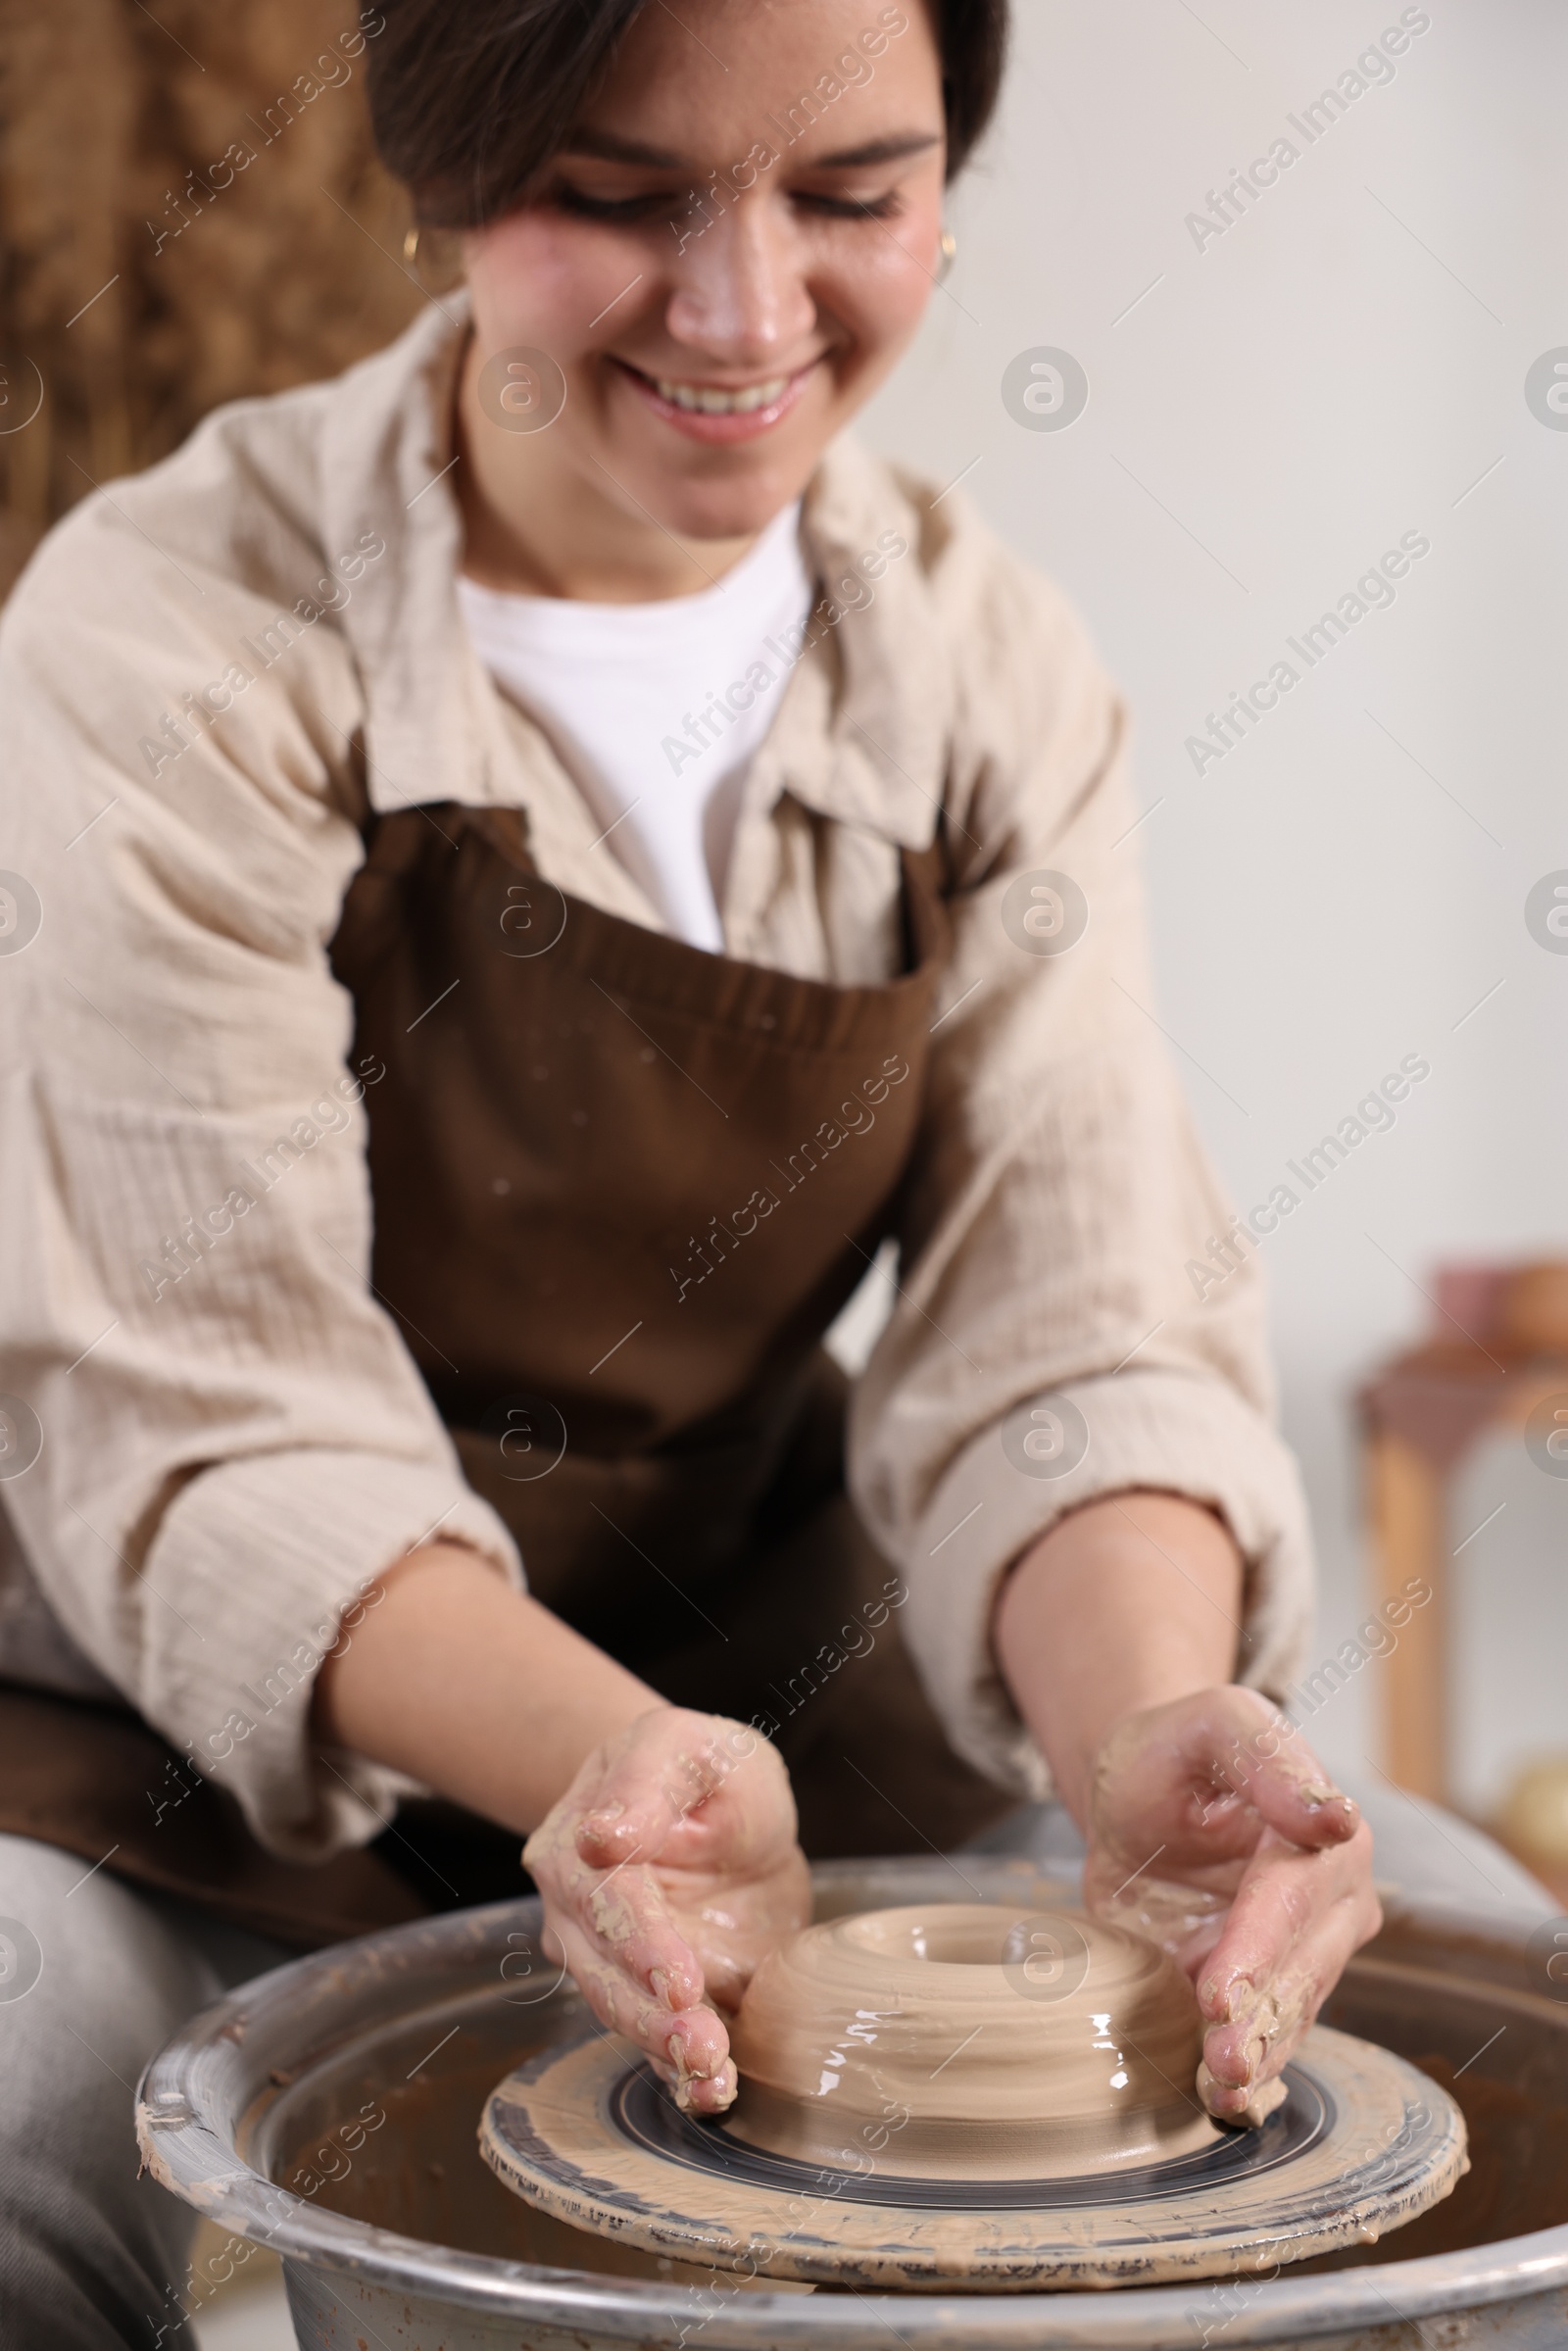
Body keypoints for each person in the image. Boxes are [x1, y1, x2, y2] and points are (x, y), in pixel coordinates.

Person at [0, 0, 1387, 2340]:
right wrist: (603, 1776)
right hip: (172, 1759)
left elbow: (1075, 1325)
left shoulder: (980, 669)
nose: (744, 314)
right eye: (618, 197)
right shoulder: (171, 635)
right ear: (431, 176)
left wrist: (1147, 1733)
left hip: (748, 1708)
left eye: (848, 195)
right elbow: (217, 1424)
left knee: (1436, 1956)